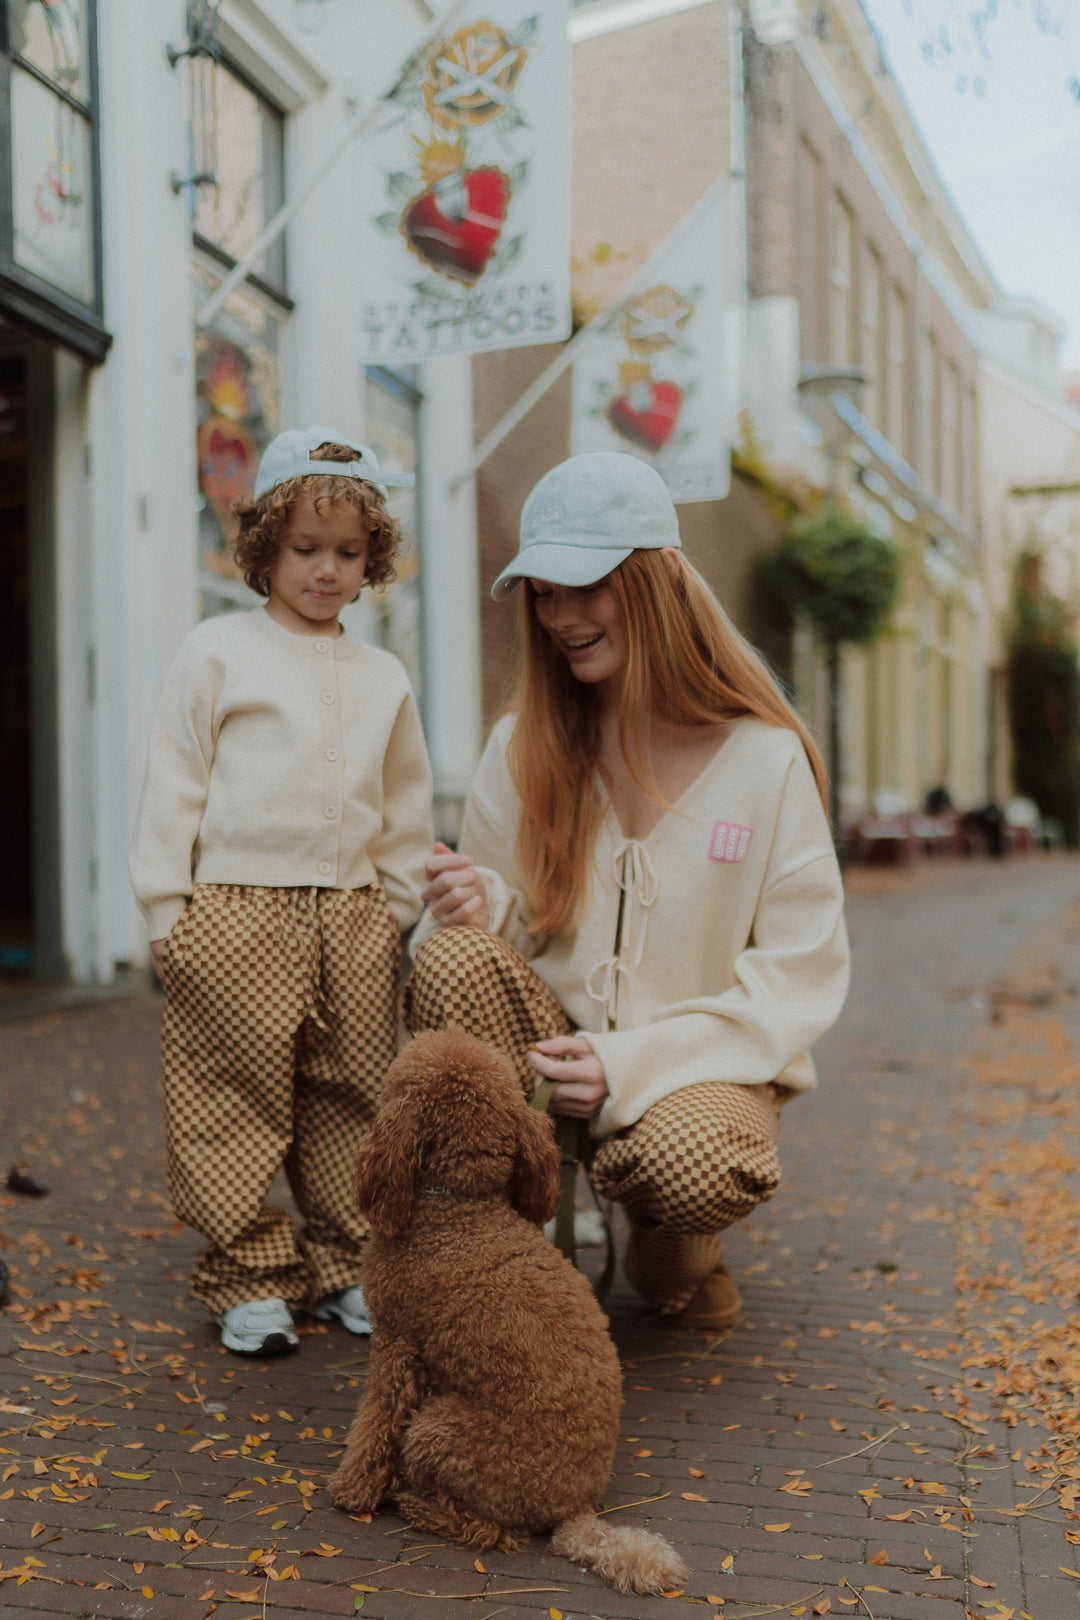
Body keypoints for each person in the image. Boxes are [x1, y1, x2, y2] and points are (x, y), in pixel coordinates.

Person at [406, 452, 849, 1332]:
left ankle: (666, 1239)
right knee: (452, 958)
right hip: (542, 1056)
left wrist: (626, 1066)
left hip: (693, 1069)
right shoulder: (521, 746)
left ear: (663, 575)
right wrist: (480, 907)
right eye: (544, 593)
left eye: (586, 587)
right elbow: (500, 938)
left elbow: (796, 978)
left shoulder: (765, 762)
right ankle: (520, 1238)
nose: (561, 617)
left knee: (692, 1171)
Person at [130, 428, 433, 1357]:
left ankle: (346, 1264)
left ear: (372, 558)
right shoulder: (218, 651)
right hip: (233, 912)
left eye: (349, 552)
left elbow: (405, 800)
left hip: (352, 918)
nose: (327, 570)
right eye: (306, 548)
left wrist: (394, 905)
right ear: (266, 545)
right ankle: (250, 1274)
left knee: (350, 1094)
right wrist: (167, 909)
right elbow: (175, 781)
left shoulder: (383, 677)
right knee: (231, 1095)